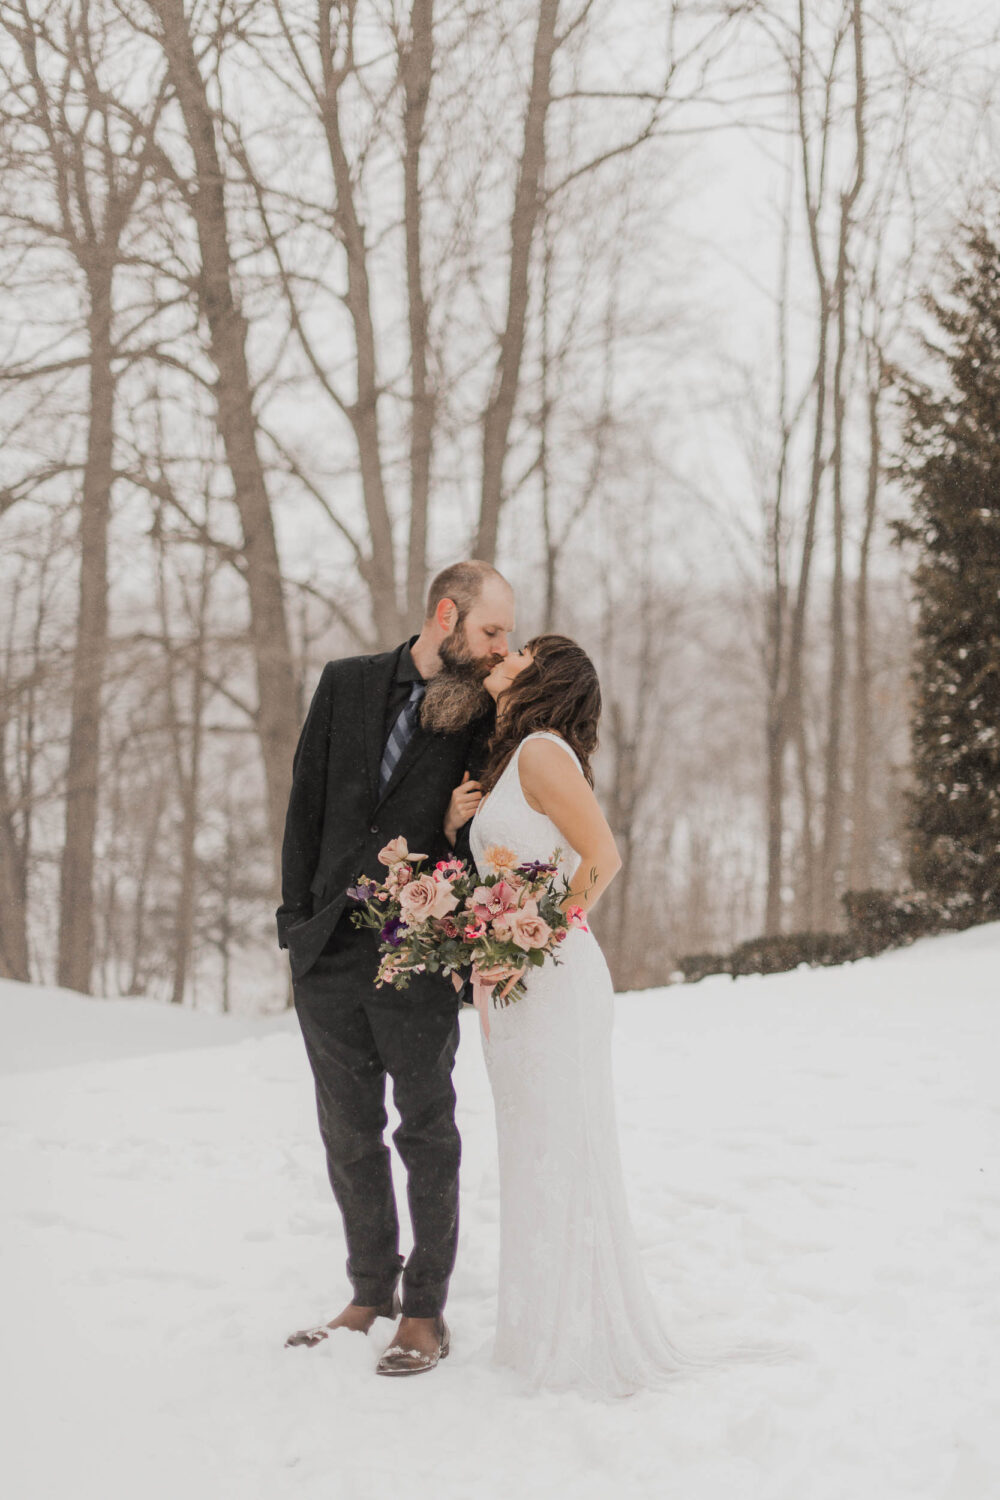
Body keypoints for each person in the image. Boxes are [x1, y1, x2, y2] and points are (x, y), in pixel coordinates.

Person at [280, 560, 514, 1376]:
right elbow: (304, 804)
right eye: (491, 631)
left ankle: (425, 1310)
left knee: (426, 1132)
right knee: (348, 1132)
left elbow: (493, 837)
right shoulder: (345, 684)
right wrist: (294, 927)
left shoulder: (485, 713)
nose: (499, 648)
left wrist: (452, 839)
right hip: (327, 952)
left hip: (415, 952)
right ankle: (368, 1290)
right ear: (445, 616)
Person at [469, 634, 693, 1397]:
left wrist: (530, 943)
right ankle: (541, 1329)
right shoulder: (520, 758)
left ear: (547, 678)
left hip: (554, 982)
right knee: (533, 1149)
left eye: (525, 650)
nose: (510, 651)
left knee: (562, 1148)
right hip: (523, 985)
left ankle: (578, 1338)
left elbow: (601, 859)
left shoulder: (540, 750)